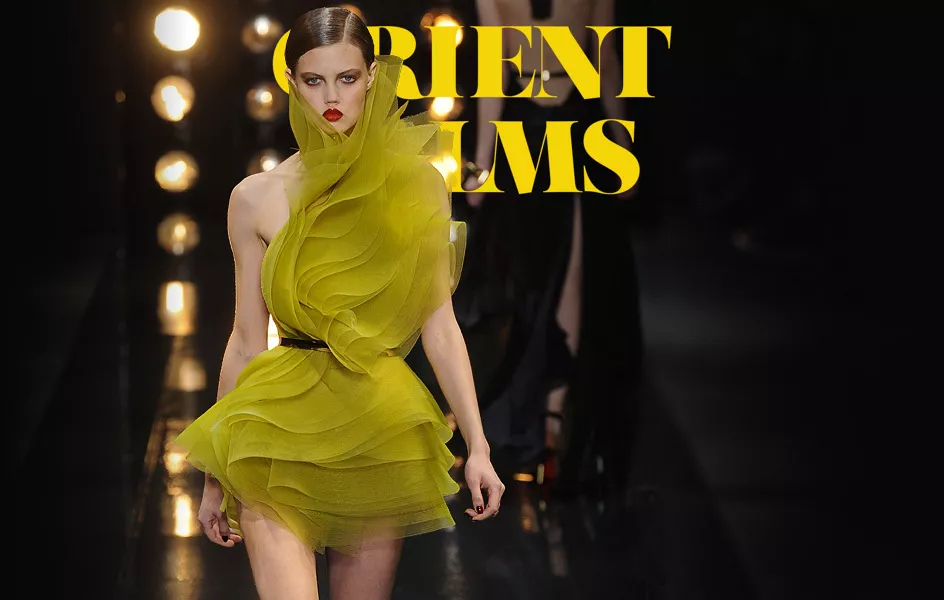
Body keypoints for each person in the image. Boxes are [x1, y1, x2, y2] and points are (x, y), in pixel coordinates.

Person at [171, 7, 505, 600]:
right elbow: (245, 339)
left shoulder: (419, 184)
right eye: (314, 80)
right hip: (277, 428)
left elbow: (441, 327)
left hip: (376, 427)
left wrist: (478, 445)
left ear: (372, 77)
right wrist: (214, 475)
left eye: (347, 78)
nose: (331, 97)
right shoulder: (254, 198)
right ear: (291, 82)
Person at [455, 0, 643, 492]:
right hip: (559, 122)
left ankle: (544, 418)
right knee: (550, 273)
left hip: (546, 124)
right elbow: (601, 59)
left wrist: (482, 164)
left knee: (551, 270)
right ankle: (543, 420)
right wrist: (622, 145)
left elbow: (499, 70)